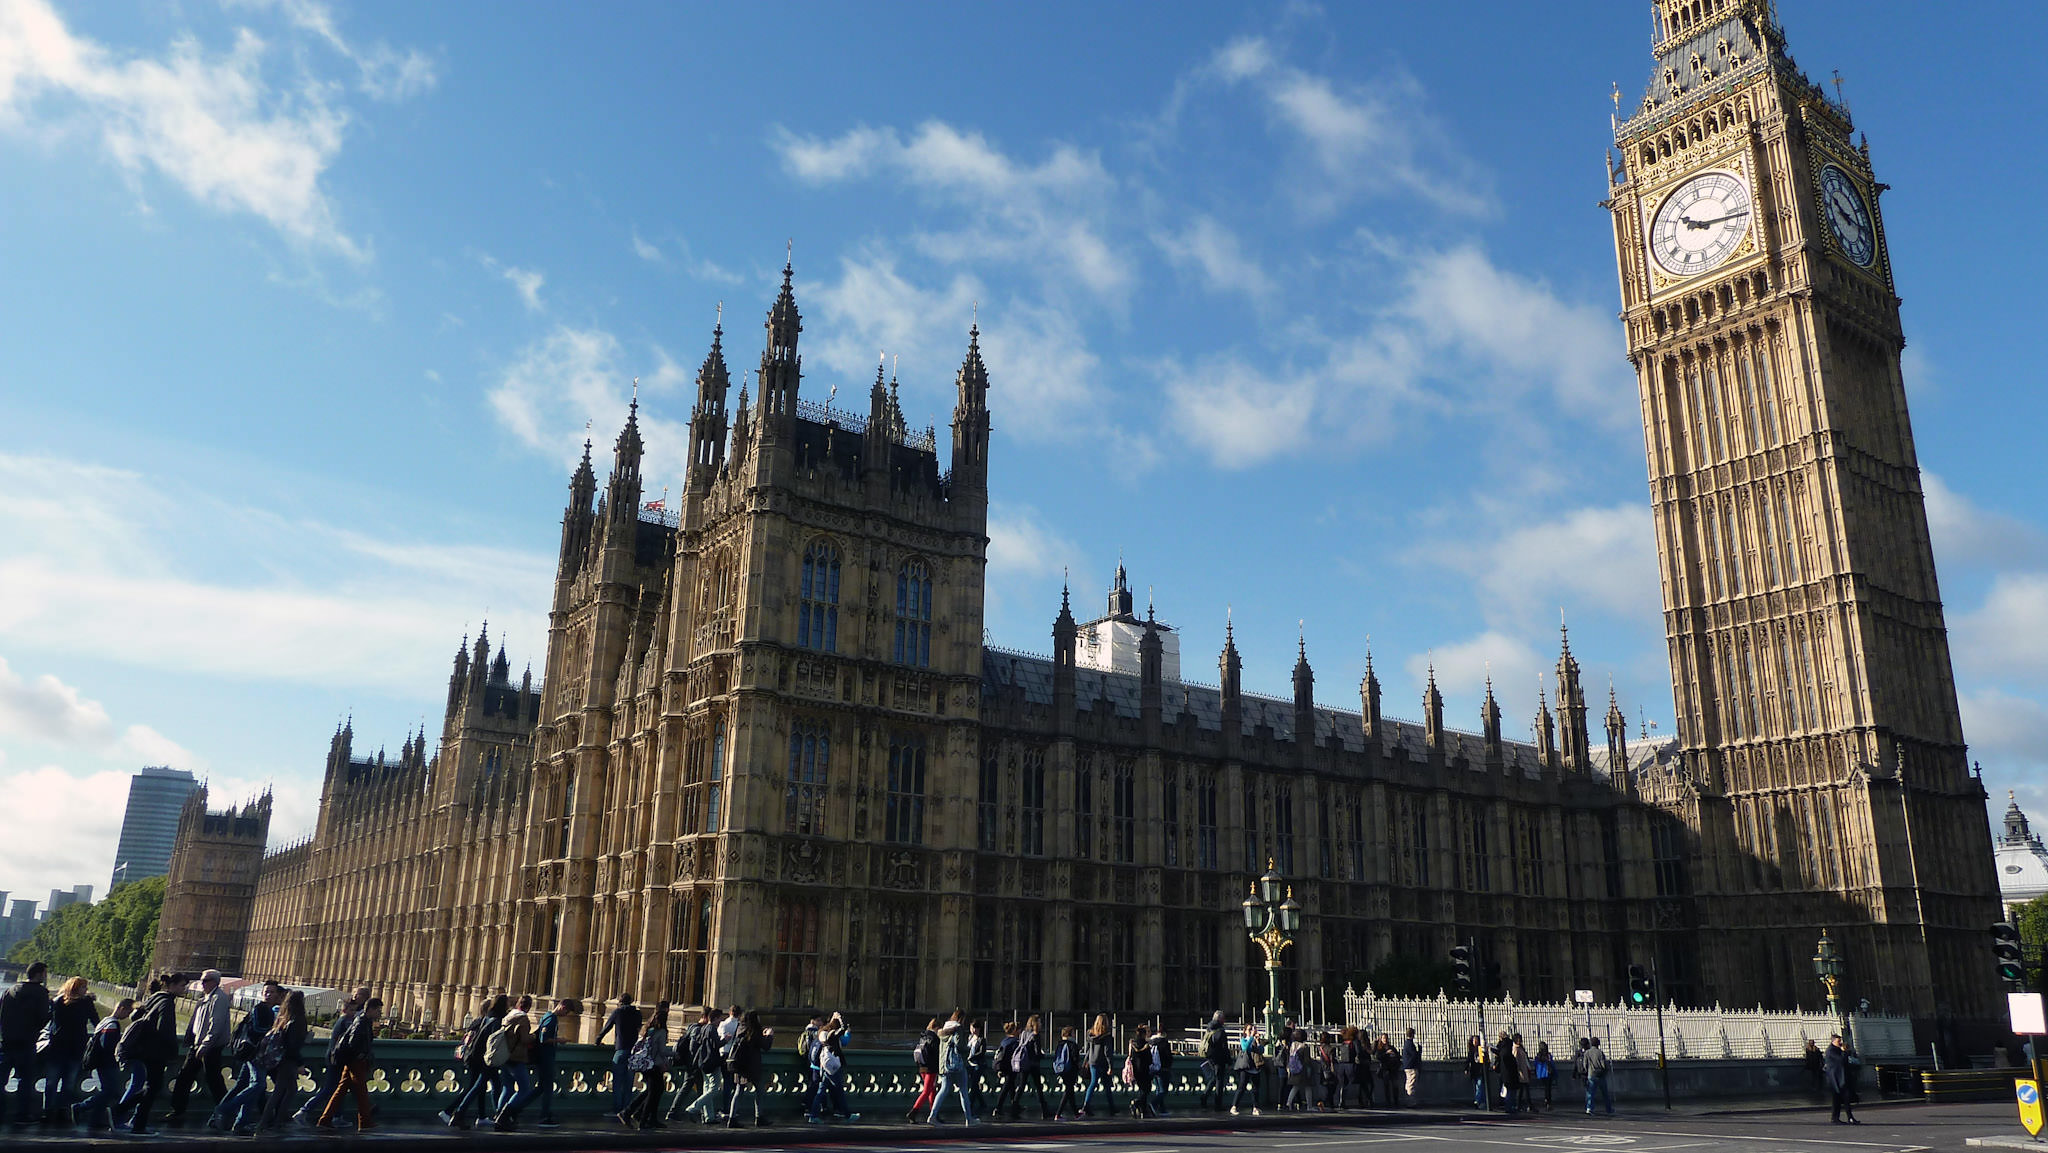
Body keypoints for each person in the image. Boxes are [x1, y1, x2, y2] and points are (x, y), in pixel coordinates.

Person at [114, 970, 187, 1134]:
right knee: (153, 1088)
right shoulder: (167, 1003)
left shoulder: (153, 998)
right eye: (182, 986)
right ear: (172, 985)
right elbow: (166, 1030)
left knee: (151, 1087)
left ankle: (130, 1118)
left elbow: (135, 1016)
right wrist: (172, 1052)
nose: (184, 989)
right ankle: (130, 1118)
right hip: (156, 1052)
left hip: (145, 1050)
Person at [208, 980, 281, 1131]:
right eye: (266, 991)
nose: (268, 994)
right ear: (262, 994)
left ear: (276, 995)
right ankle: (224, 1110)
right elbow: (260, 1031)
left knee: (242, 1085)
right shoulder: (262, 1009)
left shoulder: (267, 1010)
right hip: (256, 1053)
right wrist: (276, 1029)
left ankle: (235, 1121)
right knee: (258, 1085)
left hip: (251, 1053)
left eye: (272, 992)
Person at [166, 968, 232, 1124]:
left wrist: (205, 1044)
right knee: (185, 1077)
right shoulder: (206, 998)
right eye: (201, 980)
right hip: (197, 1044)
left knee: (213, 1080)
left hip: (209, 1047)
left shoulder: (219, 999)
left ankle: (224, 1112)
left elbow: (215, 1024)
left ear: (215, 982)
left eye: (205, 980)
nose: (202, 983)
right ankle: (178, 1110)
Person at [293, 990, 360, 1125]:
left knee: (338, 1089)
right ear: (345, 1010)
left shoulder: (343, 1021)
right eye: (352, 1010)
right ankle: (304, 1110)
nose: (354, 1013)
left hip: (334, 1058)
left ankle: (337, 1116)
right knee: (330, 1089)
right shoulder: (345, 1022)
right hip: (336, 1059)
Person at [439, 994, 506, 1129]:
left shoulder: (482, 1021)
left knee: (483, 1086)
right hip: (483, 1059)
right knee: (476, 1087)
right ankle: (452, 1112)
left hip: (476, 1057)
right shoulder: (492, 1022)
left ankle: (483, 1116)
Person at [315, 996, 381, 1131]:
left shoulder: (362, 1020)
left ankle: (325, 1119)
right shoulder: (362, 1022)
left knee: (340, 1091)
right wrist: (361, 1055)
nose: (380, 1014)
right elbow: (353, 1042)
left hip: (350, 1060)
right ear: (371, 1009)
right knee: (361, 1093)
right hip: (356, 1061)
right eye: (378, 1010)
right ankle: (365, 1122)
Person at [41, 975, 99, 1122]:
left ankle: (62, 1111)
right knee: (52, 1082)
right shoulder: (58, 1001)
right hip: (58, 1048)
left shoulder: (86, 1002)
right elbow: (47, 1021)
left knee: (68, 1083)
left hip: (75, 1048)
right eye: (83, 987)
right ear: (75, 988)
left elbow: (96, 1021)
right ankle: (48, 1111)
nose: (86, 990)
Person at [0, 960, 51, 1125]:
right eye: (45, 973)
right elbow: (42, 1018)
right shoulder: (40, 993)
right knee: (25, 1080)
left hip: (6, 1042)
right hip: (26, 1043)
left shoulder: (9, 991)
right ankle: (22, 1115)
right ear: (40, 974)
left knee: (1, 1080)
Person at [252, 990, 308, 1133]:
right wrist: (300, 1064)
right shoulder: (298, 1019)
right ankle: (267, 1123)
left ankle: (277, 1121)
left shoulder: (283, 1017)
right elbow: (292, 1046)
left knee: (290, 1090)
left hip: (280, 1059)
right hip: (288, 1061)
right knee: (280, 1091)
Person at [72, 996, 132, 1130]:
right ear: (122, 1009)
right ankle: (81, 1107)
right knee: (110, 1091)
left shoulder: (105, 1021)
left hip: (101, 1062)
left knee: (107, 1091)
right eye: (127, 1012)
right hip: (106, 1064)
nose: (127, 1016)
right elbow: (107, 1046)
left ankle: (95, 1119)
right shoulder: (112, 1024)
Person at [526, 997, 577, 1128]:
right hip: (545, 1057)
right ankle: (543, 1116)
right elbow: (544, 1039)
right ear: (563, 1007)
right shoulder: (551, 1019)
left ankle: (516, 1108)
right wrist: (559, 1040)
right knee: (547, 1088)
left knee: (542, 1088)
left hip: (543, 1057)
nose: (566, 1016)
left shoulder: (547, 1015)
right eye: (566, 1013)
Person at [619, 999, 670, 1129]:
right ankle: (640, 1118)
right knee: (654, 1091)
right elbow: (661, 1051)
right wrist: (674, 1054)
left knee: (652, 1091)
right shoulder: (661, 1032)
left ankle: (638, 1115)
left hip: (644, 1064)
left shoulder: (648, 1028)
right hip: (653, 1065)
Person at [489, 995, 536, 1130]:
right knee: (524, 1089)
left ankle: (498, 1115)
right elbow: (525, 1039)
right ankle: (503, 1117)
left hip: (505, 1056)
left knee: (507, 1087)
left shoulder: (509, 1015)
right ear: (528, 1006)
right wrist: (534, 1036)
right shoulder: (522, 1018)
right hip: (516, 1057)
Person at [595, 994, 643, 1116]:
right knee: (629, 1082)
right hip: (633, 1051)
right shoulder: (637, 1014)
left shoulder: (618, 1012)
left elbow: (607, 1027)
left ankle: (617, 1109)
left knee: (617, 1082)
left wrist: (598, 1040)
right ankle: (626, 1110)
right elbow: (640, 1030)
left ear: (620, 1002)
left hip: (621, 1050)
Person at [807, 1012, 858, 1123]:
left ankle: (813, 1115)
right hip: (832, 1066)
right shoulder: (831, 1034)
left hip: (824, 1065)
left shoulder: (822, 1032)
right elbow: (843, 1031)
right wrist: (839, 1019)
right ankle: (847, 1115)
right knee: (838, 1090)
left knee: (821, 1091)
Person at [929, 1015, 979, 1125]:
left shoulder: (943, 1031)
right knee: (963, 1091)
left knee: (943, 1090)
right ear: (961, 1018)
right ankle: (969, 1119)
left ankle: (932, 1115)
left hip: (945, 1065)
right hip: (958, 1065)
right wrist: (968, 1048)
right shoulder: (958, 1028)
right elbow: (960, 1046)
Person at [723, 1010, 769, 1128]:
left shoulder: (740, 1029)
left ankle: (732, 1118)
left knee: (738, 1091)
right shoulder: (754, 1030)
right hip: (751, 1065)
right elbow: (765, 1046)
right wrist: (769, 1036)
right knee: (759, 1090)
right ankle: (759, 1117)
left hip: (740, 1065)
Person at [1011, 1014, 1051, 1119]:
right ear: (1035, 1024)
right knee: (1038, 1087)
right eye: (1040, 1022)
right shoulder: (1036, 1036)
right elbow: (1037, 1052)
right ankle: (1045, 1110)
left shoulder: (1024, 1033)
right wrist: (1042, 1055)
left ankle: (1014, 1107)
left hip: (1023, 1062)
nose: (1041, 1024)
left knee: (1021, 1086)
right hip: (1033, 1064)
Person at [1081, 1014, 1117, 1117]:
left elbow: (1087, 1050)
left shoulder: (1090, 1034)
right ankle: (1112, 1108)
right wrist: (1111, 1066)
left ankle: (1086, 1105)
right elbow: (1107, 1052)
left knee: (1093, 1083)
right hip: (1103, 1062)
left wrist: (1086, 1061)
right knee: (1107, 1085)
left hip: (1093, 1061)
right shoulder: (1107, 1036)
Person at [906, 1017, 940, 1121]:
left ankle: (934, 1114)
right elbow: (936, 1054)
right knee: (926, 1091)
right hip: (931, 1067)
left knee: (931, 1090)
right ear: (937, 1027)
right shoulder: (934, 1038)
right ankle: (913, 1112)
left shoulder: (923, 1036)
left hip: (922, 1066)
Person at [1824, 1034, 1859, 1124]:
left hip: (1842, 1078)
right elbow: (1841, 1060)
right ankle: (1837, 1118)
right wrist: (1844, 1052)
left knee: (1843, 1099)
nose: (1840, 1043)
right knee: (1839, 1099)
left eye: (1840, 1041)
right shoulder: (1831, 1051)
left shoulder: (1837, 1050)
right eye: (1838, 1041)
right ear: (1833, 1041)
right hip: (1836, 1079)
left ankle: (1845, 1118)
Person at [1230, 1024, 1264, 1115]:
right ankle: (1234, 1106)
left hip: (1254, 1067)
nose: (1251, 1031)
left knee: (1256, 1088)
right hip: (1245, 1067)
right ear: (1245, 1031)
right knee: (1242, 1087)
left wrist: (1258, 1041)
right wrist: (1251, 1037)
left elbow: (1261, 1051)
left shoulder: (1254, 1040)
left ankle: (1255, 1107)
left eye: (1253, 1029)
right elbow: (1245, 1048)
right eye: (1249, 1030)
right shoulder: (1244, 1040)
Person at [1199, 1012, 1230, 1111]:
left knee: (1214, 1078)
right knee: (1219, 1081)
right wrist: (1229, 1060)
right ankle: (1218, 1104)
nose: (1224, 1020)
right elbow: (1224, 1048)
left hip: (1210, 1058)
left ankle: (1204, 1097)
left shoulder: (1209, 1028)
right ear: (1220, 1019)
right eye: (1223, 1018)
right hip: (1219, 1059)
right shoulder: (1220, 1031)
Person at [1127, 1024, 1158, 1118]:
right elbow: (1149, 1060)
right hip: (1144, 1070)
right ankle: (1137, 1104)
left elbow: (1130, 1056)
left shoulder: (1133, 1044)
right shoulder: (1146, 1045)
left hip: (1136, 1070)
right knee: (1146, 1089)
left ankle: (1142, 1110)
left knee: (1142, 1089)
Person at [1051, 1025, 1082, 1120]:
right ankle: (1058, 1114)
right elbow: (1075, 1058)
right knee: (1068, 1091)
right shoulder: (1072, 1044)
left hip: (1061, 1069)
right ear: (1070, 1034)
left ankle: (1076, 1113)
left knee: (1070, 1091)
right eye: (1073, 1033)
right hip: (1070, 1069)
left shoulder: (1059, 1044)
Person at [1581, 1036, 1612, 1116]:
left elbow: (1585, 1065)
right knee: (1605, 1093)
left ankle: (1589, 1108)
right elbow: (1603, 1064)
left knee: (1590, 1093)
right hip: (1600, 1075)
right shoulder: (1600, 1052)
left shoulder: (1587, 1053)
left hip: (1591, 1074)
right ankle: (1608, 1109)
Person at [1148, 1021, 1174, 1116]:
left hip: (1154, 1068)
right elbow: (1168, 1057)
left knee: (1158, 1089)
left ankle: (1162, 1109)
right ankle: (1153, 1103)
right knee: (1164, 1091)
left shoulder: (1152, 1042)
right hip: (1164, 1069)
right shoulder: (1164, 1043)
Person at [1284, 1028, 1312, 1110]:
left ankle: (1288, 1103)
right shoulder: (1304, 1046)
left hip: (1294, 1069)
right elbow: (1307, 1060)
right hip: (1302, 1070)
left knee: (1295, 1086)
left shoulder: (1293, 1045)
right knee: (1308, 1087)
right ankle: (1309, 1106)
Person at [1493, 1030, 1520, 1115]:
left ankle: (1509, 1106)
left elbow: (1501, 1056)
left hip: (1505, 1072)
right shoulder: (1508, 1046)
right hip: (1510, 1071)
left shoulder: (1502, 1047)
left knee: (1508, 1090)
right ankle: (1510, 1106)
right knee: (1511, 1090)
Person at [1333, 1026, 1359, 1109]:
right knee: (1350, 1083)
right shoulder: (1355, 1042)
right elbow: (1359, 1052)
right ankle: (1347, 1100)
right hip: (1350, 1065)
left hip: (1342, 1065)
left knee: (1342, 1084)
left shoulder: (1344, 1042)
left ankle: (1341, 1101)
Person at [1401, 1027, 1422, 1107]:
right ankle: (1411, 1102)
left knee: (1408, 1083)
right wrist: (1419, 1051)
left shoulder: (1406, 1043)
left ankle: (1409, 1100)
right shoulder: (1410, 1044)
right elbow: (1414, 1055)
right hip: (1412, 1066)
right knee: (1411, 1084)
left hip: (1407, 1066)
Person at [1465, 1035, 1486, 1109]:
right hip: (1474, 1070)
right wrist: (1466, 1068)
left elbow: (1481, 1060)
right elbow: (1468, 1060)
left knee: (1479, 1086)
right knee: (1479, 1086)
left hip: (1479, 1070)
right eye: (1474, 1040)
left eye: (1476, 1040)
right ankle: (1482, 1101)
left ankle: (1477, 1101)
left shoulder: (1480, 1049)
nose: (1475, 1042)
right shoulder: (1471, 1050)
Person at [1533, 1040, 1555, 1111]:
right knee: (1548, 1088)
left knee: (1546, 1088)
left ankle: (1547, 1100)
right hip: (1548, 1073)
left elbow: (1536, 1065)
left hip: (1541, 1074)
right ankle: (1548, 1101)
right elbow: (1551, 1063)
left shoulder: (1538, 1056)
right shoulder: (1548, 1055)